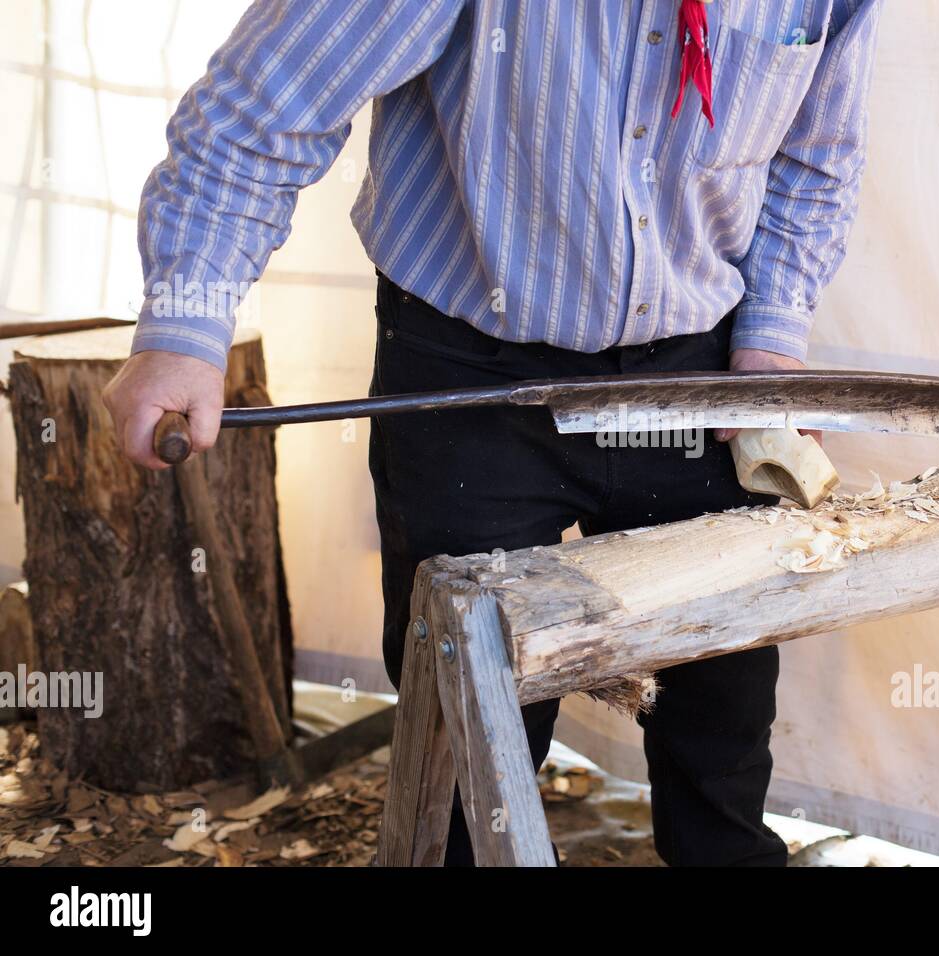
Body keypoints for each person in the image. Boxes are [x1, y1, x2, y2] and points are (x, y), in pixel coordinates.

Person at [103, 0, 882, 866]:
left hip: (695, 370)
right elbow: (268, 101)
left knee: (721, 721)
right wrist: (184, 323)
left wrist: (773, 336)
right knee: (476, 737)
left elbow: (817, 159)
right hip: (470, 371)